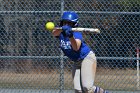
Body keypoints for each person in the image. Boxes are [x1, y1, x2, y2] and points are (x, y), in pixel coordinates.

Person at [52, 11, 108, 93]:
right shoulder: (60, 32)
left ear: (74, 24)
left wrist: (70, 36)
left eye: (69, 23)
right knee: (78, 90)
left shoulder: (76, 34)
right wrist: (62, 29)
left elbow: (76, 48)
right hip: (77, 62)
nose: (66, 24)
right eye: (65, 22)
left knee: (87, 88)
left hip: (87, 58)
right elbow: (54, 33)